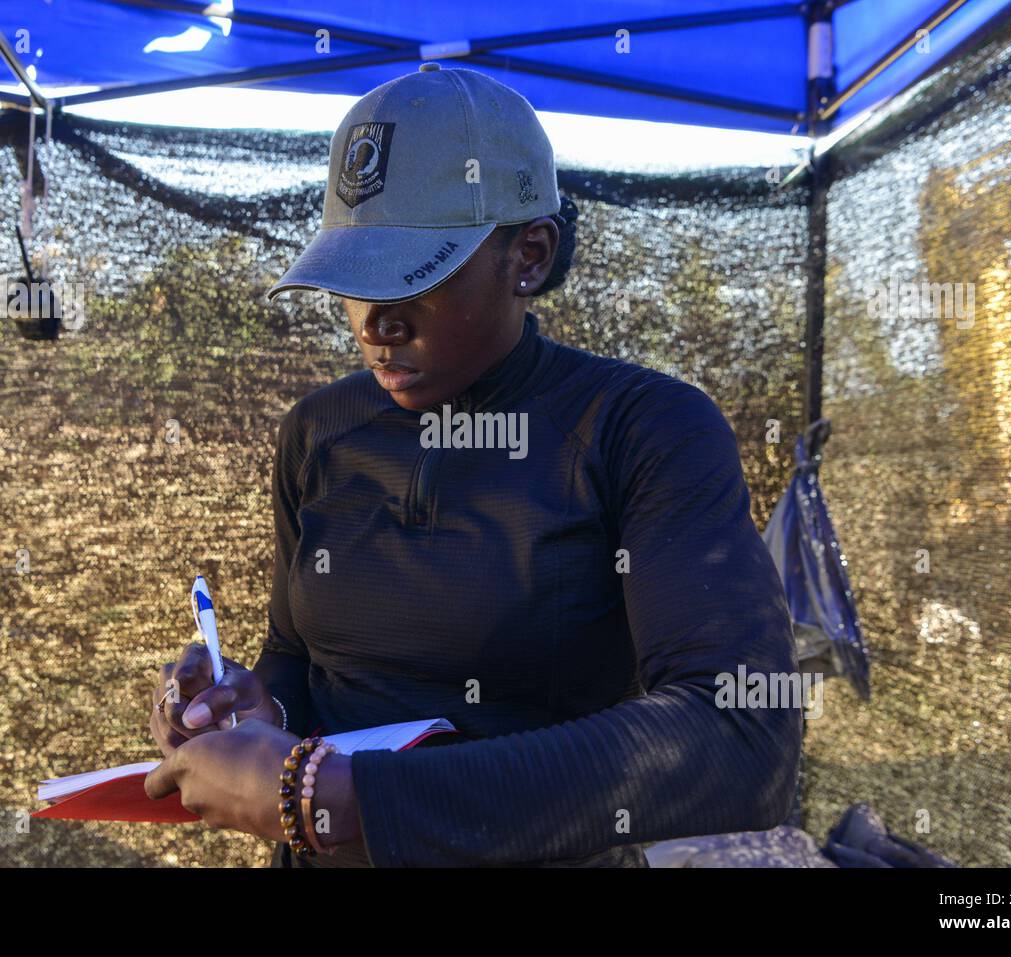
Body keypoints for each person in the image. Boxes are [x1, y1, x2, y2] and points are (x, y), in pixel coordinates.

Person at [145, 63, 802, 867]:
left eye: (414, 277)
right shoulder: (321, 432)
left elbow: (739, 735)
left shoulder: (639, 428)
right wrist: (256, 702)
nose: (373, 324)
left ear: (528, 255)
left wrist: (347, 798)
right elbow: (299, 653)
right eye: (352, 281)